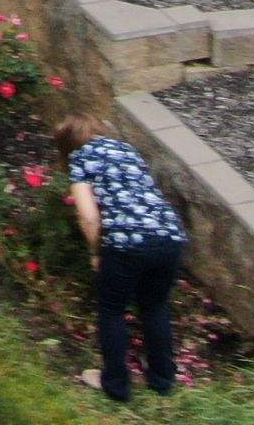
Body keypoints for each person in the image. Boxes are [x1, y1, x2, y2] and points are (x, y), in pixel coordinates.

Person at [58, 113, 187, 402]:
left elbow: (88, 216)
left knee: (112, 310)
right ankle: (162, 381)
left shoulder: (81, 158)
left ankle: (116, 385)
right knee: (155, 306)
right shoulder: (127, 150)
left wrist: (96, 252)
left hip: (127, 240)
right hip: (169, 235)